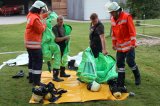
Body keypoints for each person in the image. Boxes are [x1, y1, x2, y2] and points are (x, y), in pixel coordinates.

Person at [105, 2, 141, 91]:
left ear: (117, 11)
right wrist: (114, 44)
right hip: (120, 46)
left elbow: (132, 31)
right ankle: (121, 82)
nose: (111, 14)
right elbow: (114, 33)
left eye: (112, 12)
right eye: (110, 12)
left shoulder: (126, 16)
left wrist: (133, 43)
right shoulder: (112, 19)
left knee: (130, 62)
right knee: (120, 64)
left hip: (129, 45)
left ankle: (137, 76)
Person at [24, 0, 49, 86]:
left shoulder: (30, 15)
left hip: (29, 44)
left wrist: (45, 16)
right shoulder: (35, 19)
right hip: (34, 45)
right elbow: (40, 29)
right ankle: (36, 81)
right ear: (38, 9)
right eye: (42, 10)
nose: (42, 11)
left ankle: (31, 78)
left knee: (31, 61)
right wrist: (45, 24)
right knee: (37, 63)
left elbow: (38, 18)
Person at [42, 12, 64, 82]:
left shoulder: (49, 28)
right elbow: (45, 41)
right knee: (52, 58)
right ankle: (55, 75)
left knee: (57, 58)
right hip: (49, 46)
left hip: (52, 45)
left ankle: (55, 75)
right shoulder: (45, 28)